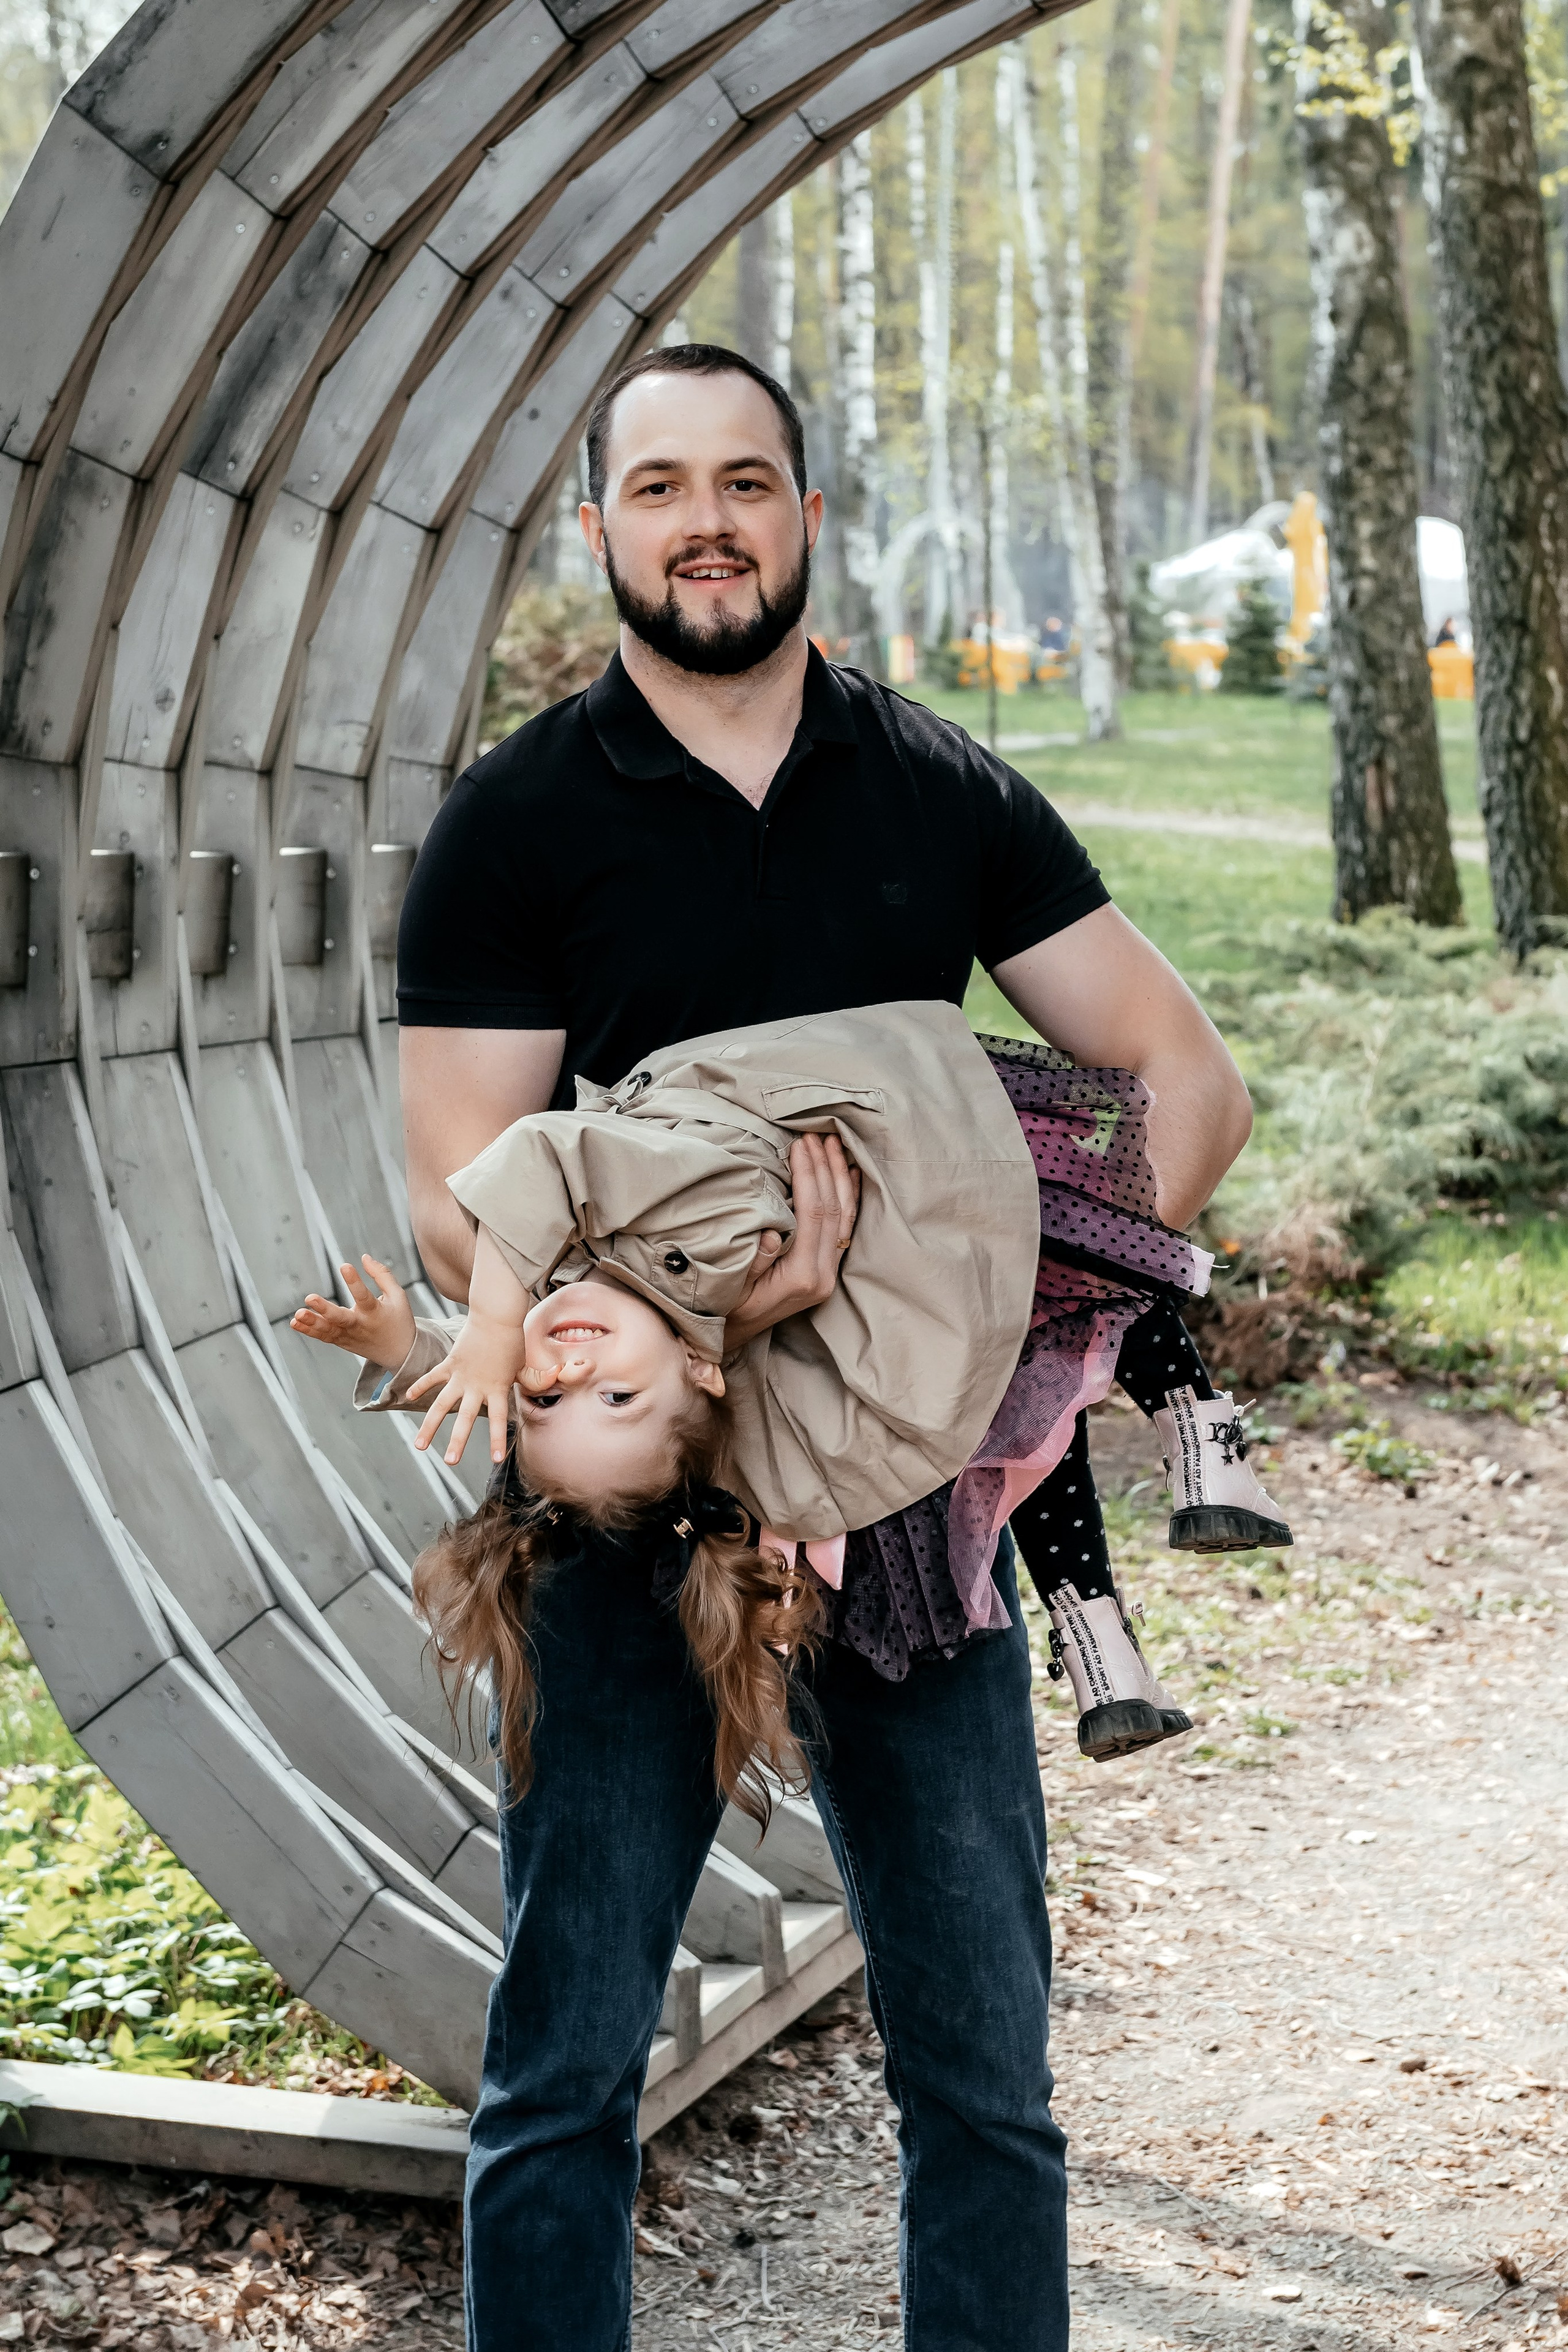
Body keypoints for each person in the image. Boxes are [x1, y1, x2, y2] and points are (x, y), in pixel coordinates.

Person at [390, 341, 1255, 2351]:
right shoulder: (518, 825)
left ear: (803, 515)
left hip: (915, 1511)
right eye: (665, 485)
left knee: (985, 2085)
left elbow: (1181, 1080)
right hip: (631, 1514)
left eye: (749, 481)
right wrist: (720, 1313)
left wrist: (1014, 1394)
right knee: (562, 2085)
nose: (710, 523)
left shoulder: (937, 787)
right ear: (599, 528)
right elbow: (459, 1199)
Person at [292, 1000, 1271, 1773]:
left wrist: (412, 1344)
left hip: (838, 1185)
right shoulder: (696, 1258)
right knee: (1069, 1258)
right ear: (701, 1368)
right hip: (888, 1118)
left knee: (1052, 1308)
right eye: (613, 1400)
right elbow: (537, 1158)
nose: (564, 1368)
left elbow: (484, 1362)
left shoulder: (585, 1309)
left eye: (541, 1399)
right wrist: (506, 1326)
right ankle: (1198, 1436)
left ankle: (1122, 1597)